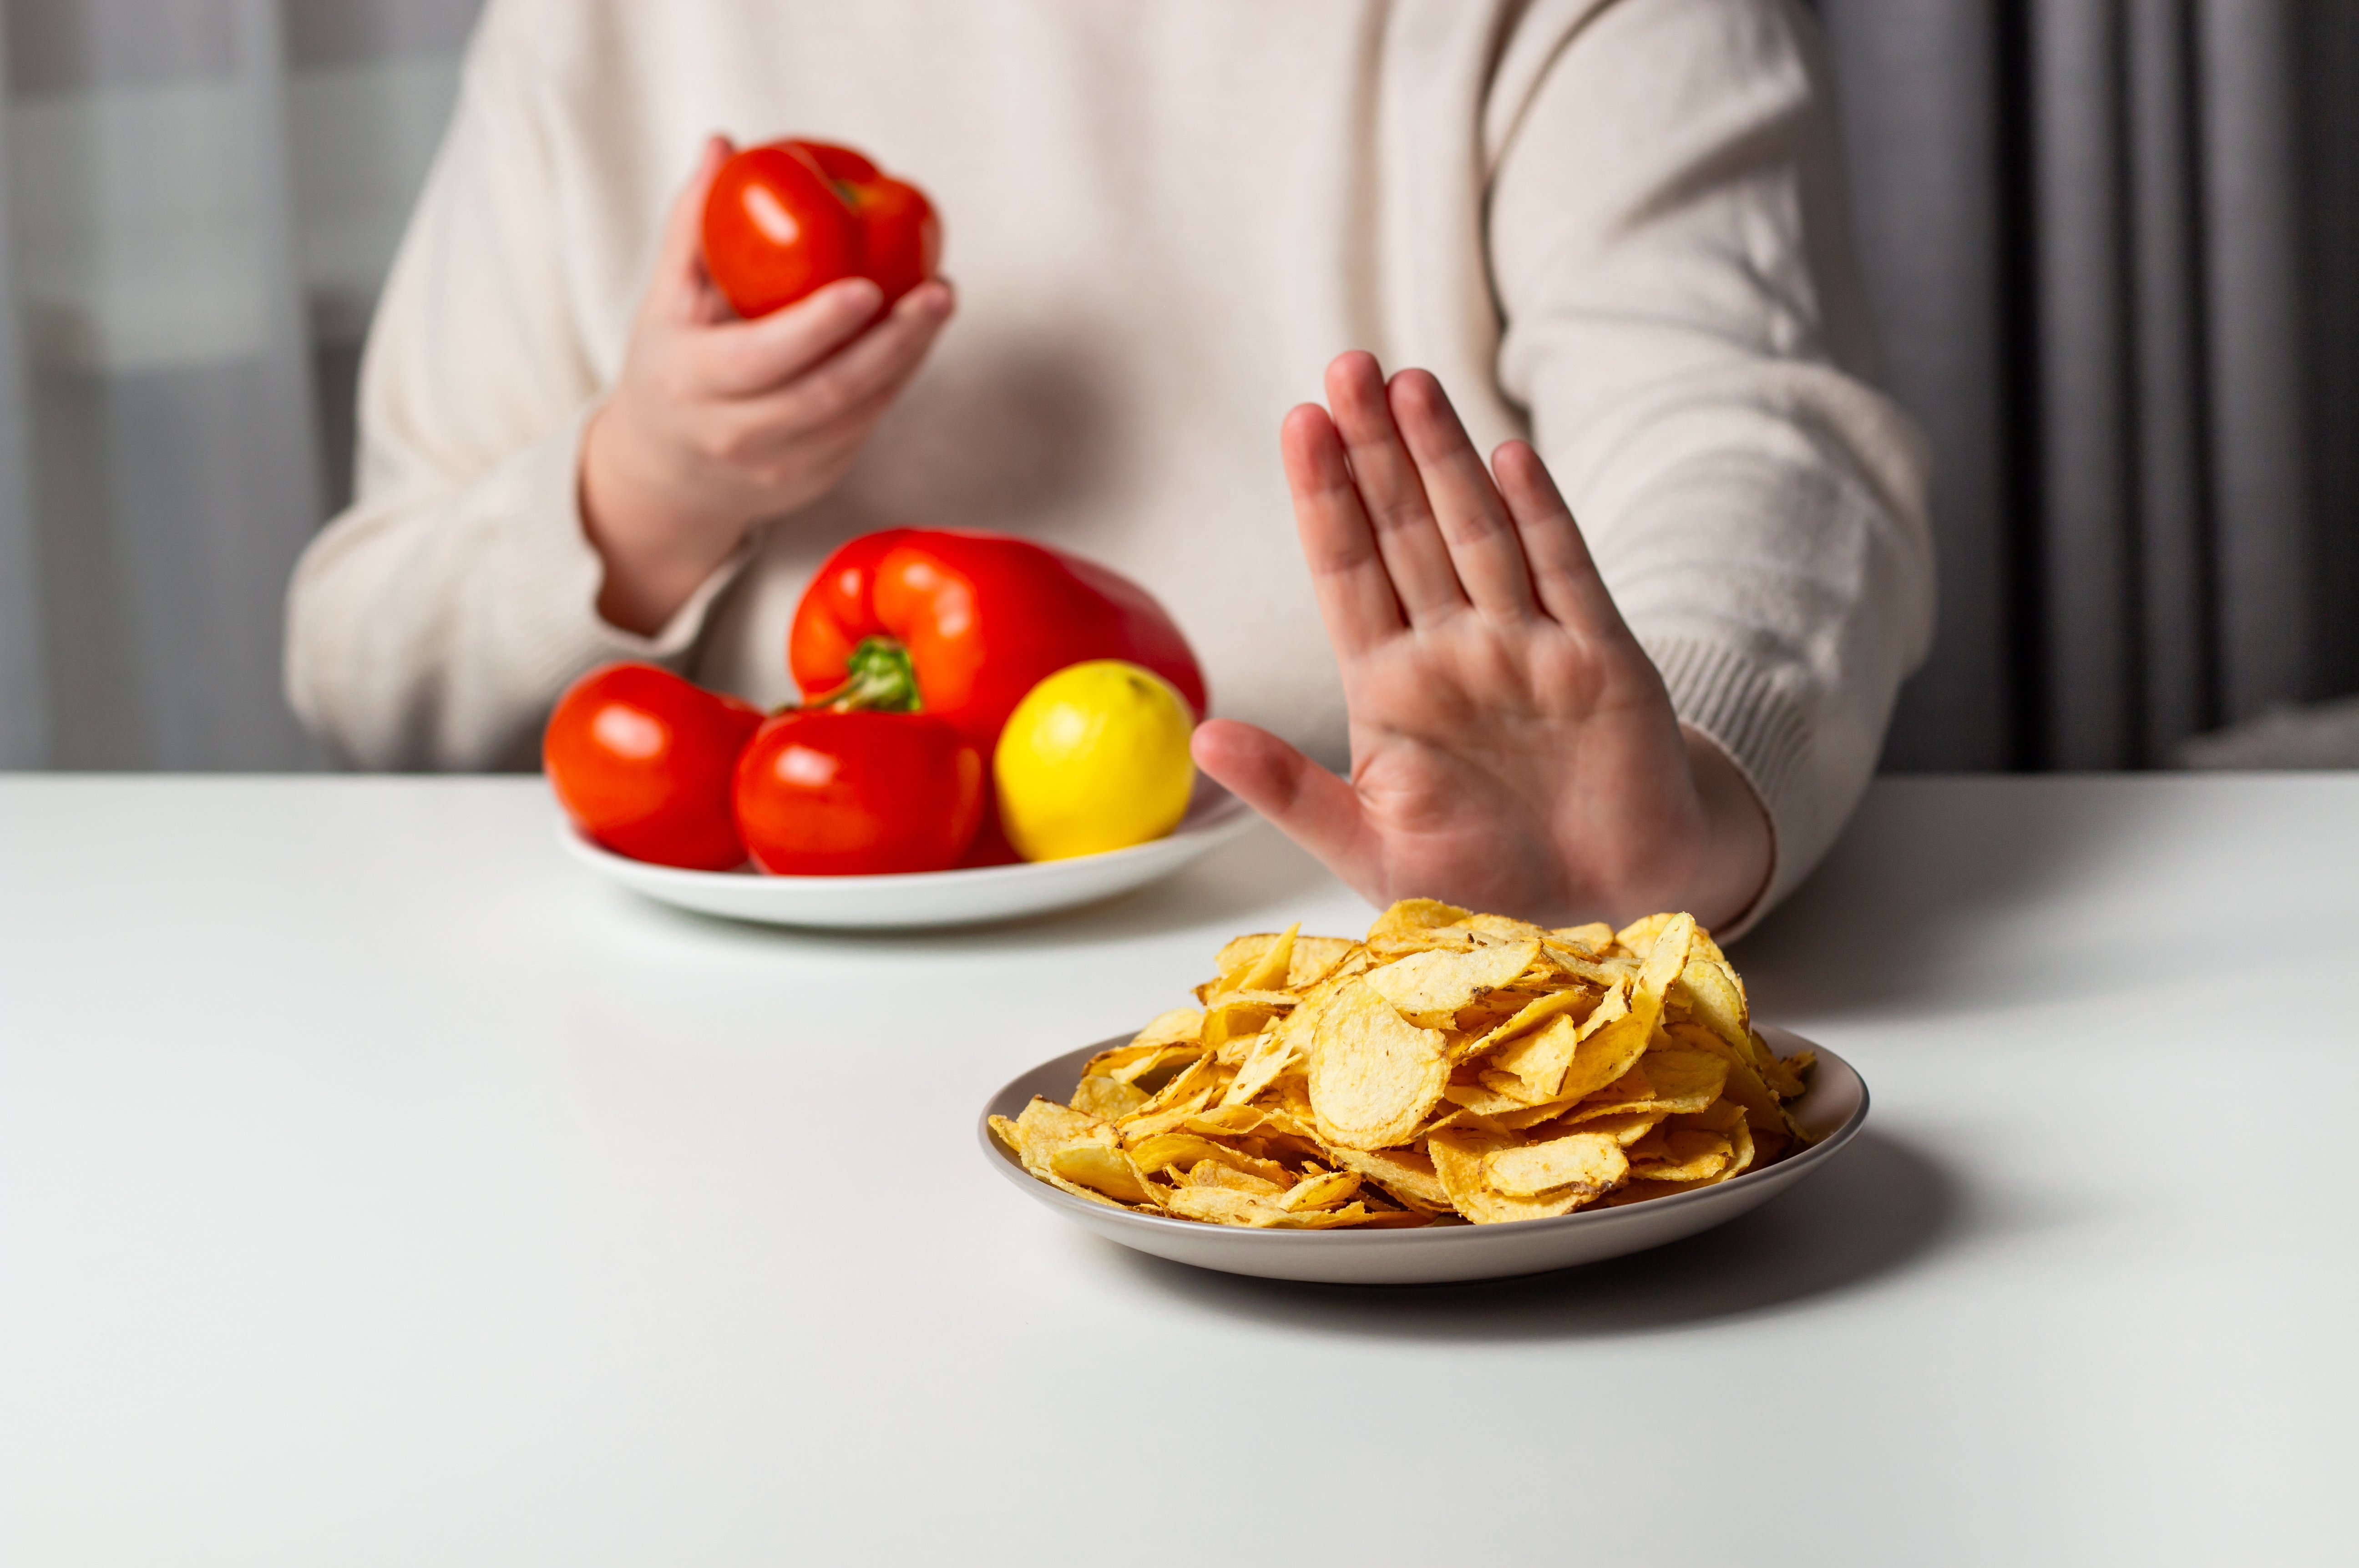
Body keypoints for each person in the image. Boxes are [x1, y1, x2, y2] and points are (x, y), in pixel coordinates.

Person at [285, 0, 1934, 936]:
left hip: (1386, 957)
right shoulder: (598, 29)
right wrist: (650, 484)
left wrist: (1689, 797)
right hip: (720, 1030)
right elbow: (360, 654)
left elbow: (1748, 435)